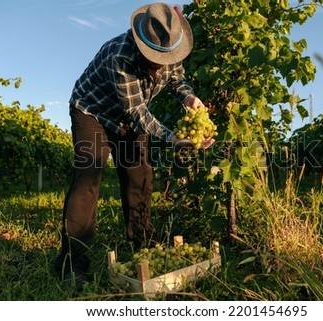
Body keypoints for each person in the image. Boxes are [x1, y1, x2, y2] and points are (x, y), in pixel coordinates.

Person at [54, 3, 215, 289]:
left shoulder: (172, 48)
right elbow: (138, 112)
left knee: (140, 178)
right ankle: (73, 263)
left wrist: (190, 100)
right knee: (88, 178)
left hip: (129, 120)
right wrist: (174, 139)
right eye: (154, 58)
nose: (160, 64)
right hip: (93, 112)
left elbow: (178, 81)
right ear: (141, 44)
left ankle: (144, 248)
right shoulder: (120, 54)